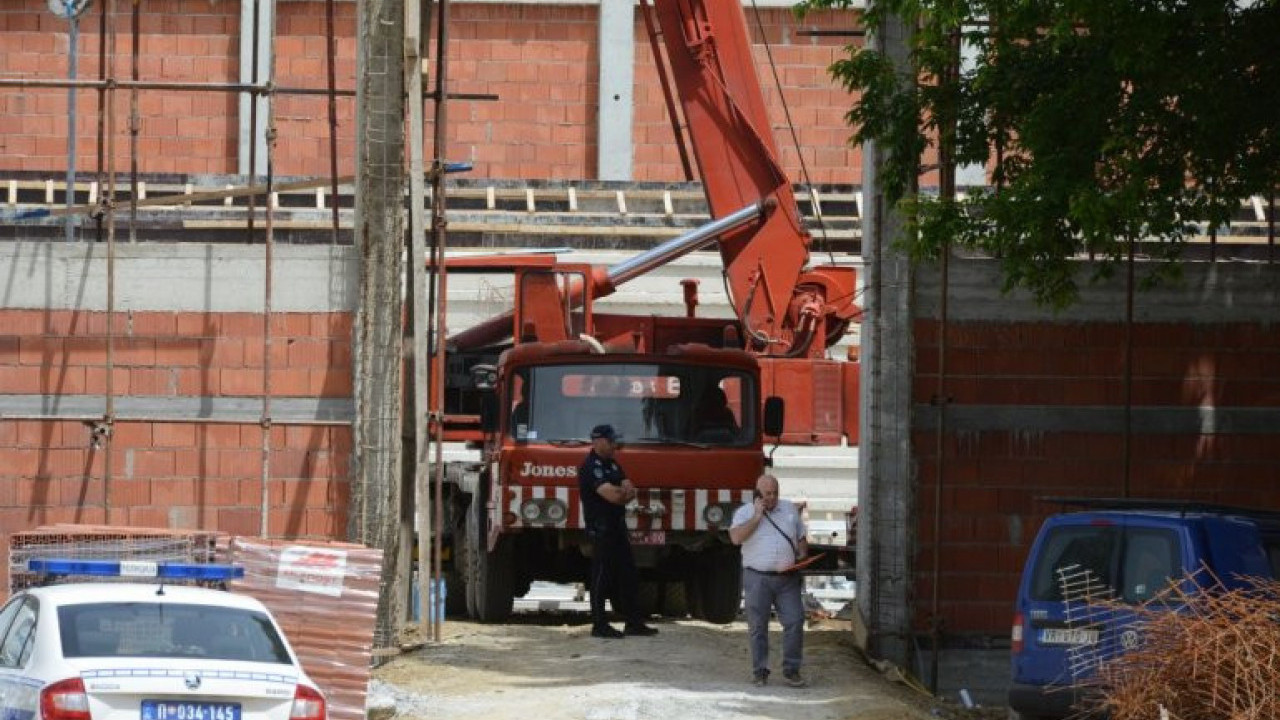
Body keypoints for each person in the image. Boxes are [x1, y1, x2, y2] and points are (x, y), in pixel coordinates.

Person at [578, 423, 659, 639]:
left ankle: (633, 622)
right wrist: (621, 492)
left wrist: (622, 492)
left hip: (617, 526)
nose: (616, 445)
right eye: (611, 441)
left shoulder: (613, 465)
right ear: (599, 441)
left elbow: (630, 490)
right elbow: (614, 495)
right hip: (601, 528)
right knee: (602, 577)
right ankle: (599, 624)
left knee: (629, 575)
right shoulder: (591, 466)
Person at [729, 473, 808, 687]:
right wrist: (757, 517)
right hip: (757, 578)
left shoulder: (790, 509)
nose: (772, 498)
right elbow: (736, 538)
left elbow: (801, 537)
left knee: (795, 621)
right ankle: (760, 671)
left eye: (775, 493)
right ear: (757, 494)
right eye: (767, 494)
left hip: (787, 578)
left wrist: (802, 553)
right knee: (758, 626)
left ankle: (791, 670)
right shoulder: (744, 513)